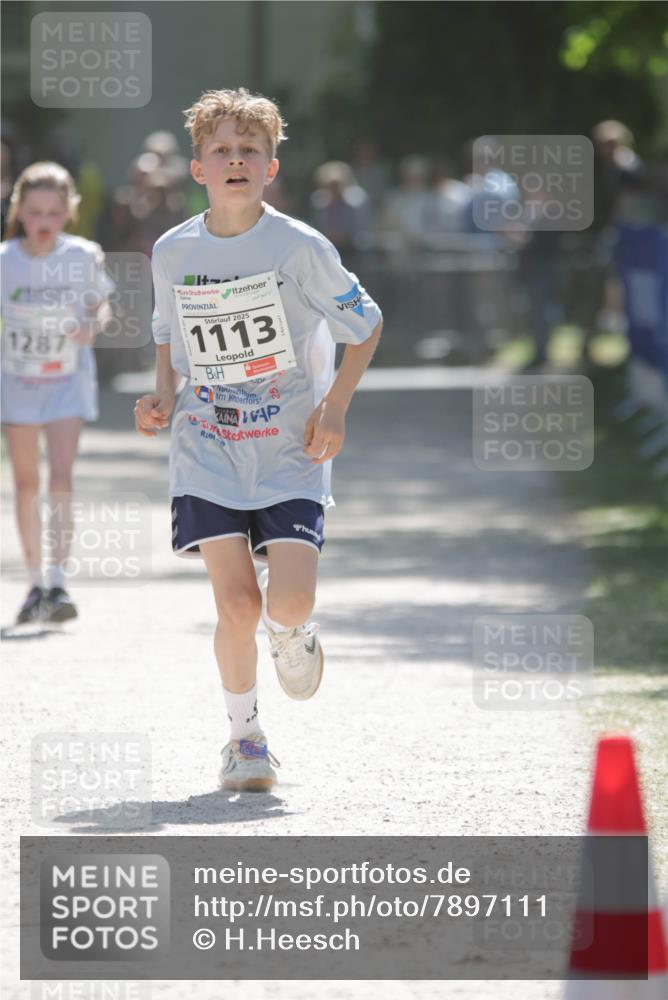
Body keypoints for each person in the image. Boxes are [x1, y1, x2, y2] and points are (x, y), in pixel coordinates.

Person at [134, 88, 383, 793]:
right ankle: (245, 739)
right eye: (223, 150)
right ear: (198, 168)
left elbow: (365, 327)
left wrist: (334, 407)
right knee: (236, 605)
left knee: (288, 604)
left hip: (290, 447)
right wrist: (160, 395)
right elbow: (166, 337)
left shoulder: (300, 247)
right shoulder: (171, 250)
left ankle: (292, 634)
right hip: (208, 443)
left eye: (251, 150)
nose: (236, 159)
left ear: (271, 168)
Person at [1, 162, 114, 624]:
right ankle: (34, 584)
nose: (43, 221)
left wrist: (92, 325)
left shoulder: (83, 254)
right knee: (27, 483)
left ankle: (59, 579)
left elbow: (100, 306)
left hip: (66, 380)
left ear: (68, 212)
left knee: (62, 478)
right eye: (34, 212)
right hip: (18, 383)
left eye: (52, 211)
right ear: (20, 213)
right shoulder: (6, 259)